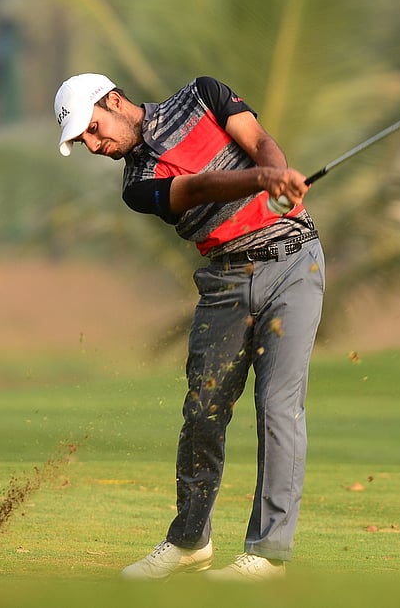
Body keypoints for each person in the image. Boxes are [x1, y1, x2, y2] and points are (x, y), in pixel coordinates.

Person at [53, 73, 325, 581]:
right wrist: (264, 181)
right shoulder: (137, 186)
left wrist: (276, 172)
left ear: (113, 101)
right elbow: (198, 188)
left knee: (278, 407)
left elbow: (259, 142)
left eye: (92, 129)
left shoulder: (204, 94)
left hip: (293, 261)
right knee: (204, 411)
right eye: (84, 141)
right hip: (225, 280)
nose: (94, 146)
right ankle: (190, 541)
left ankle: (267, 554)